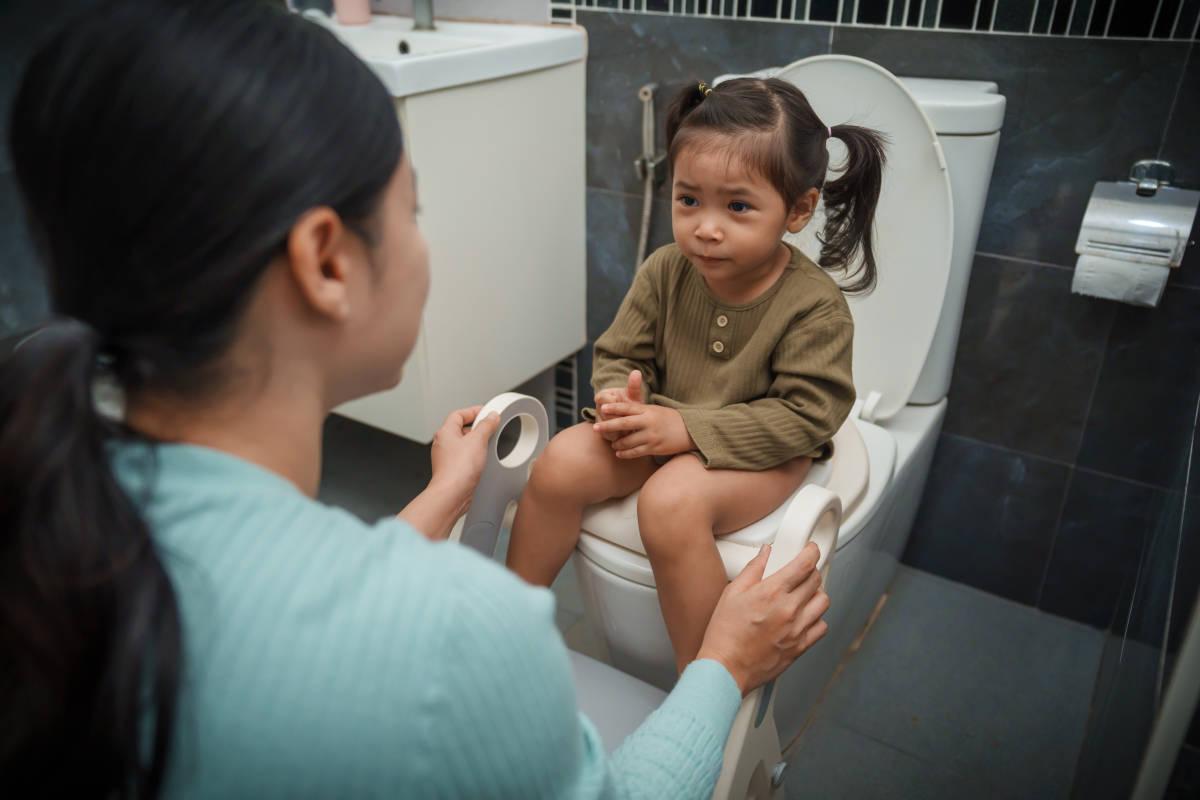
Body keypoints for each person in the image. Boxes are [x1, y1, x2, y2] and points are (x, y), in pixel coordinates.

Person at [0, 2, 831, 797]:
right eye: (412, 210)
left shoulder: (46, 503)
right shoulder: (459, 642)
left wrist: (443, 497)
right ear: (328, 263)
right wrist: (724, 661)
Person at [507, 78, 886, 673]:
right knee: (559, 462)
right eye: (689, 201)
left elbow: (805, 414)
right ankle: (505, 623)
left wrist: (682, 429)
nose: (706, 228)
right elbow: (620, 352)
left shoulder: (813, 306)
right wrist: (619, 398)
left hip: (766, 452)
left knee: (671, 503)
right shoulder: (665, 269)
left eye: (737, 206)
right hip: (665, 424)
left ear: (798, 209)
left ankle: (706, 679)